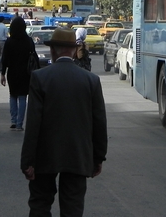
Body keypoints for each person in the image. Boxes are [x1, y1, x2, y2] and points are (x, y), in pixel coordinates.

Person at [21, 27, 107, 217]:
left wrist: (27, 161)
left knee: (40, 204)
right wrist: (98, 157)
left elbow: (33, 122)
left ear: (52, 50)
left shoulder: (40, 78)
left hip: (45, 155)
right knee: (73, 207)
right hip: (77, 155)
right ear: (75, 51)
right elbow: (99, 122)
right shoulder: (91, 80)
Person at [0, 16, 34, 131]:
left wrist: (3, 73)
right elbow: (33, 57)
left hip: (12, 72)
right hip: (25, 72)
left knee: (13, 95)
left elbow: (4, 58)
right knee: (23, 97)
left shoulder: (9, 41)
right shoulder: (28, 40)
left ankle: (13, 120)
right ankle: (20, 124)